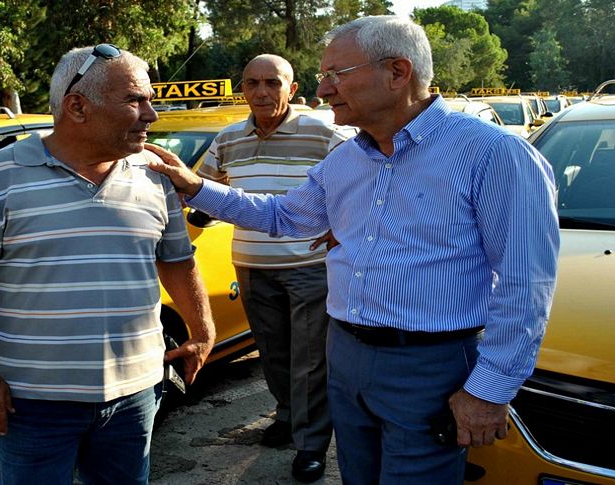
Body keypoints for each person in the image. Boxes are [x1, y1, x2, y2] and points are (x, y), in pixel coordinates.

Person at [146, 16, 560, 484]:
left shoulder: (494, 154)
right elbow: (284, 217)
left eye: (335, 75)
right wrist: (195, 186)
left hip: (428, 366)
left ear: (398, 72)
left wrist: (489, 390)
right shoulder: (346, 160)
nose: (322, 90)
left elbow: (528, 284)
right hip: (345, 355)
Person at [0, 45, 216, 485]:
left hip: (136, 395)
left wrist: (202, 333)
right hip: (30, 402)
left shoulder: (153, 172)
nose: (152, 115)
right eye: (135, 100)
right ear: (77, 106)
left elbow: (178, 261)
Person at [195, 54, 347, 482]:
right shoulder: (228, 138)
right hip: (250, 264)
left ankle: (312, 443)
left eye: (272, 83)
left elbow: (362, 181)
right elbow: (202, 188)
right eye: (252, 83)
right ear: (241, 89)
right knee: (274, 354)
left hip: (309, 265)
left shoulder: (323, 133)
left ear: (292, 89)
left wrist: (343, 228)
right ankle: (287, 415)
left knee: (310, 359)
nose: (262, 92)